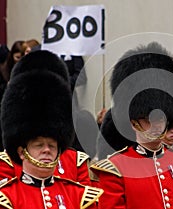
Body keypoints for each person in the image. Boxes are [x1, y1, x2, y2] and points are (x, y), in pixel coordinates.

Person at [90, 42, 173, 209]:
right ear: (134, 121)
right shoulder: (116, 169)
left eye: (160, 118)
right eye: (149, 119)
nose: (157, 125)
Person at [0, 51, 102, 208]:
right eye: (39, 145)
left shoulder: (79, 193)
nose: (47, 150)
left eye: (51, 145)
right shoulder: (7, 197)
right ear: (22, 152)